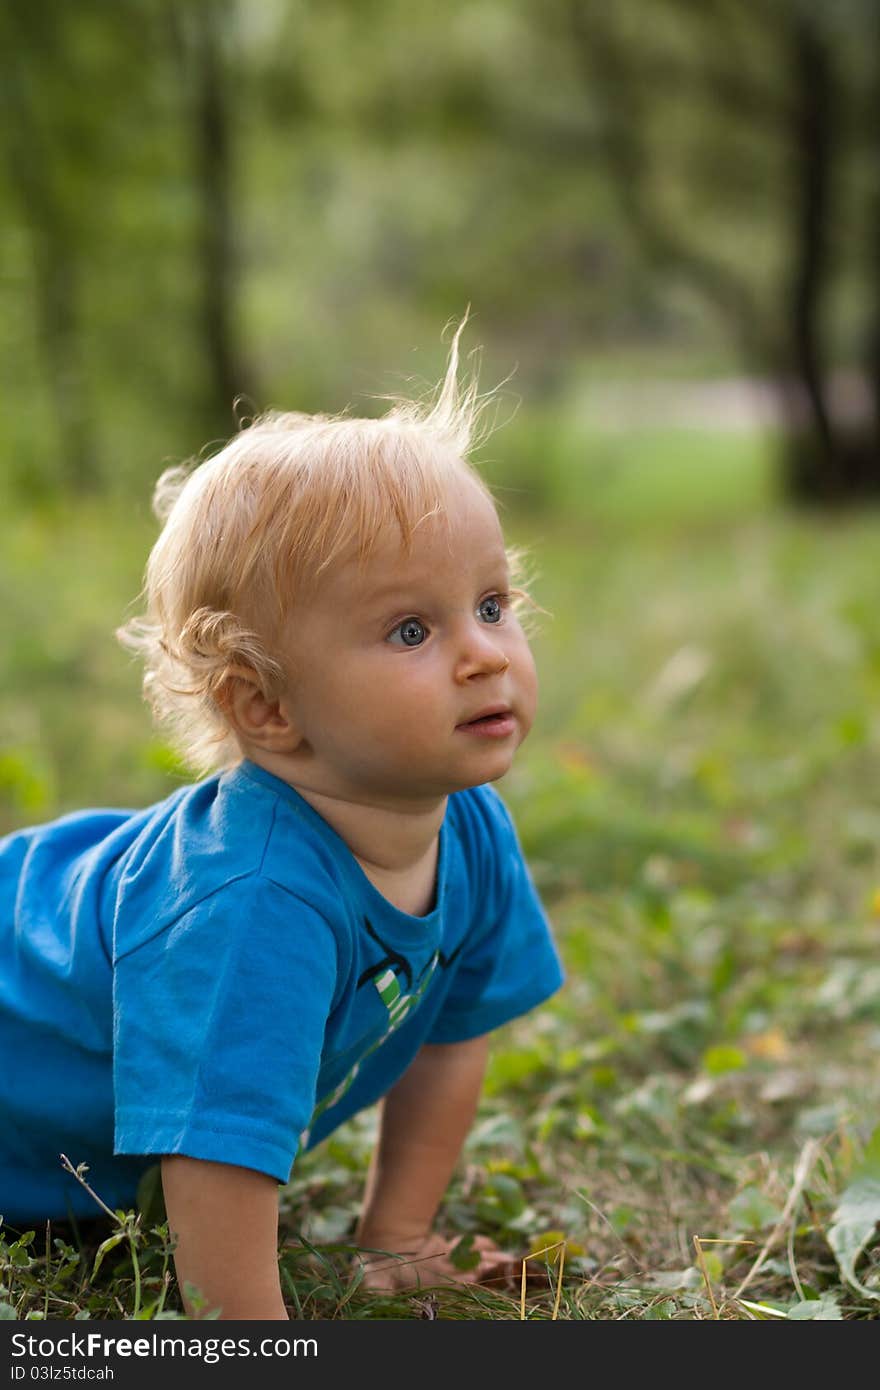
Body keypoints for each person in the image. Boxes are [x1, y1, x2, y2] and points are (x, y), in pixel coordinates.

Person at [0, 321, 564, 1319]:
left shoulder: (469, 828)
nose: (483, 653)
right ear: (265, 706)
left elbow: (451, 1032)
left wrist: (395, 1240)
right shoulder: (252, 903)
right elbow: (211, 1151)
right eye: (408, 628)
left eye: (489, 601)